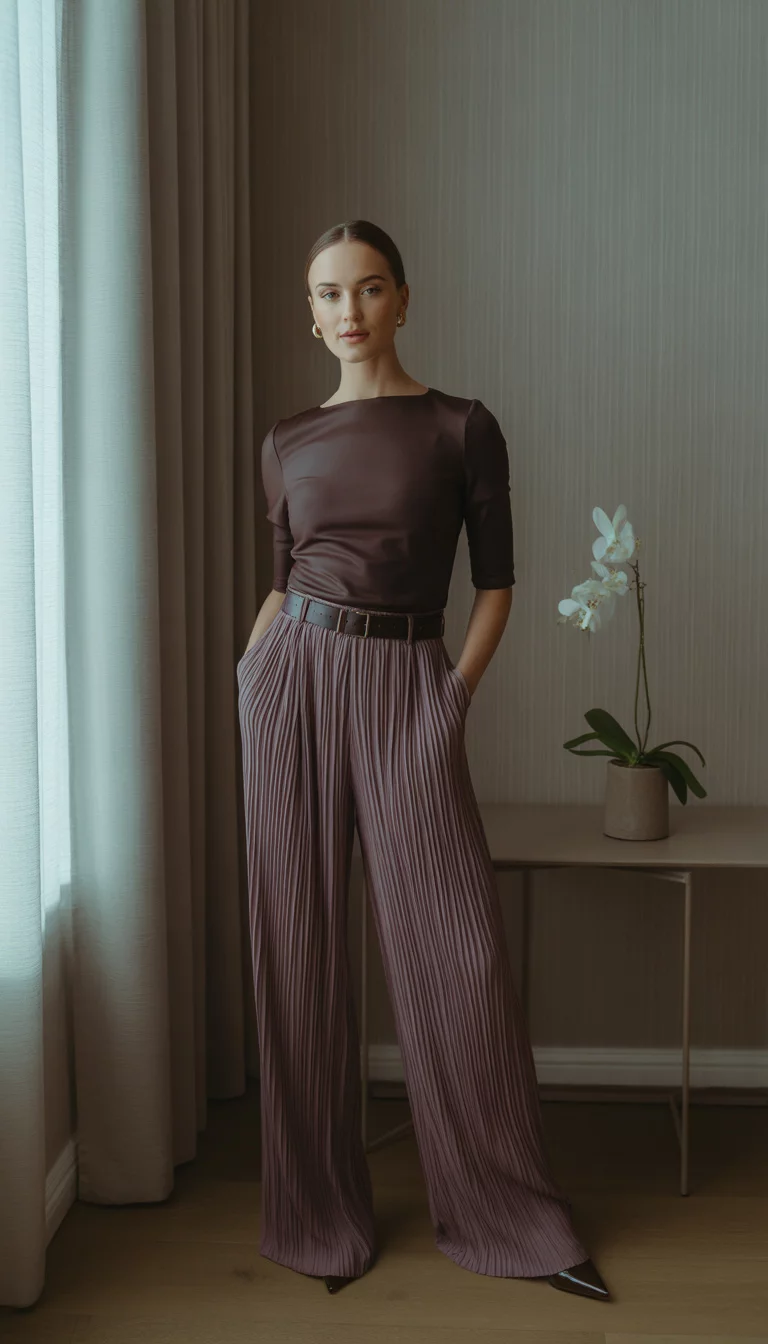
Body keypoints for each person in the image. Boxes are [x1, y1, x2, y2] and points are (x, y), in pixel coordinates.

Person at [237, 219, 611, 1304]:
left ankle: (511, 1218)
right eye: (326, 293)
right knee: (298, 951)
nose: (347, 311)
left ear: (404, 299)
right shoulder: (287, 437)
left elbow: (495, 585)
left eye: (368, 288)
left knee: (460, 961)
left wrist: (450, 699)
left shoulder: (461, 426)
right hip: (292, 679)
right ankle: (316, 1219)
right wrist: (250, 670)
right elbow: (284, 569)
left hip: (409, 684)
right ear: (308, 313)